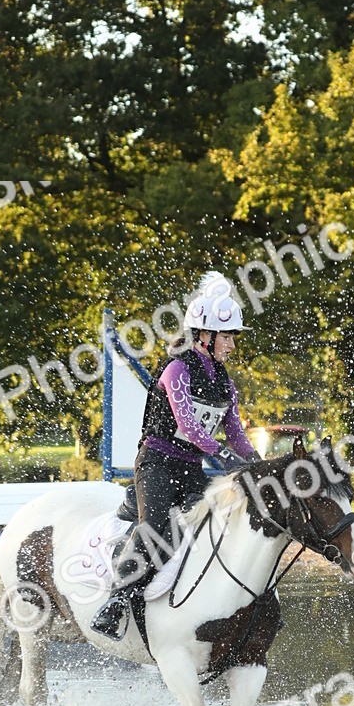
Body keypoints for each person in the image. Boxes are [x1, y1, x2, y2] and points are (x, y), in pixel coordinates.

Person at [90, 271, 260, 640]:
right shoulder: (177, 370)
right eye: (227, 335)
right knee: (158, 529)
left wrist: (257, 462)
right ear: (205, 335)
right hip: (156, 464)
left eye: (232, 336)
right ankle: (117, 601)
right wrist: (223, 457)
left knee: (222, 519)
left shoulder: (224, 382)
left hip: (191, 469)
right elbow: (192, 428)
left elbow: (235, 433)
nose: (232, 344)